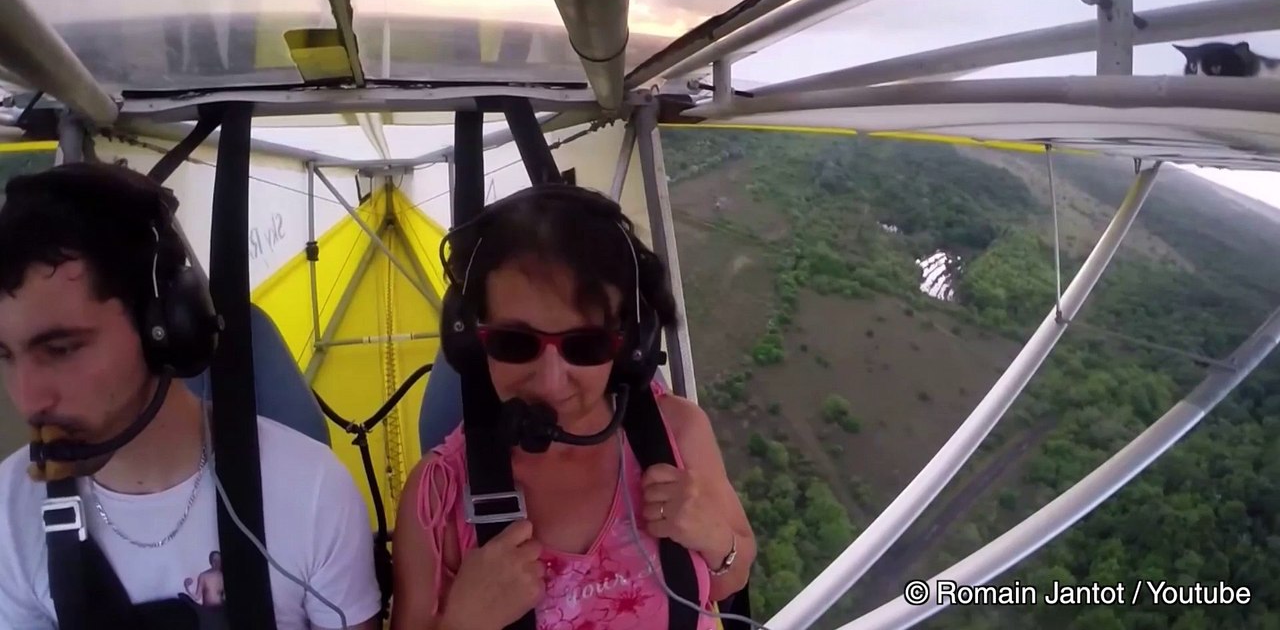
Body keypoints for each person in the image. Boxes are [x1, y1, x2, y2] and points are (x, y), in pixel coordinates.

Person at [0, 161, 381, 629]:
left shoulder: (314, 492)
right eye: (4, 356)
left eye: (61, 349)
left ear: (167, 328)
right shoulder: (8, 510)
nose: (28, 400)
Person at [391, 184, 756, 630]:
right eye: (514, 342)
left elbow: (730, 579)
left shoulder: (677, 435)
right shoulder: (438, 499)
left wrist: (714, 537)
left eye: (585, 346)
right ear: (471, 341)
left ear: (629, 347)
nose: (549, 381)